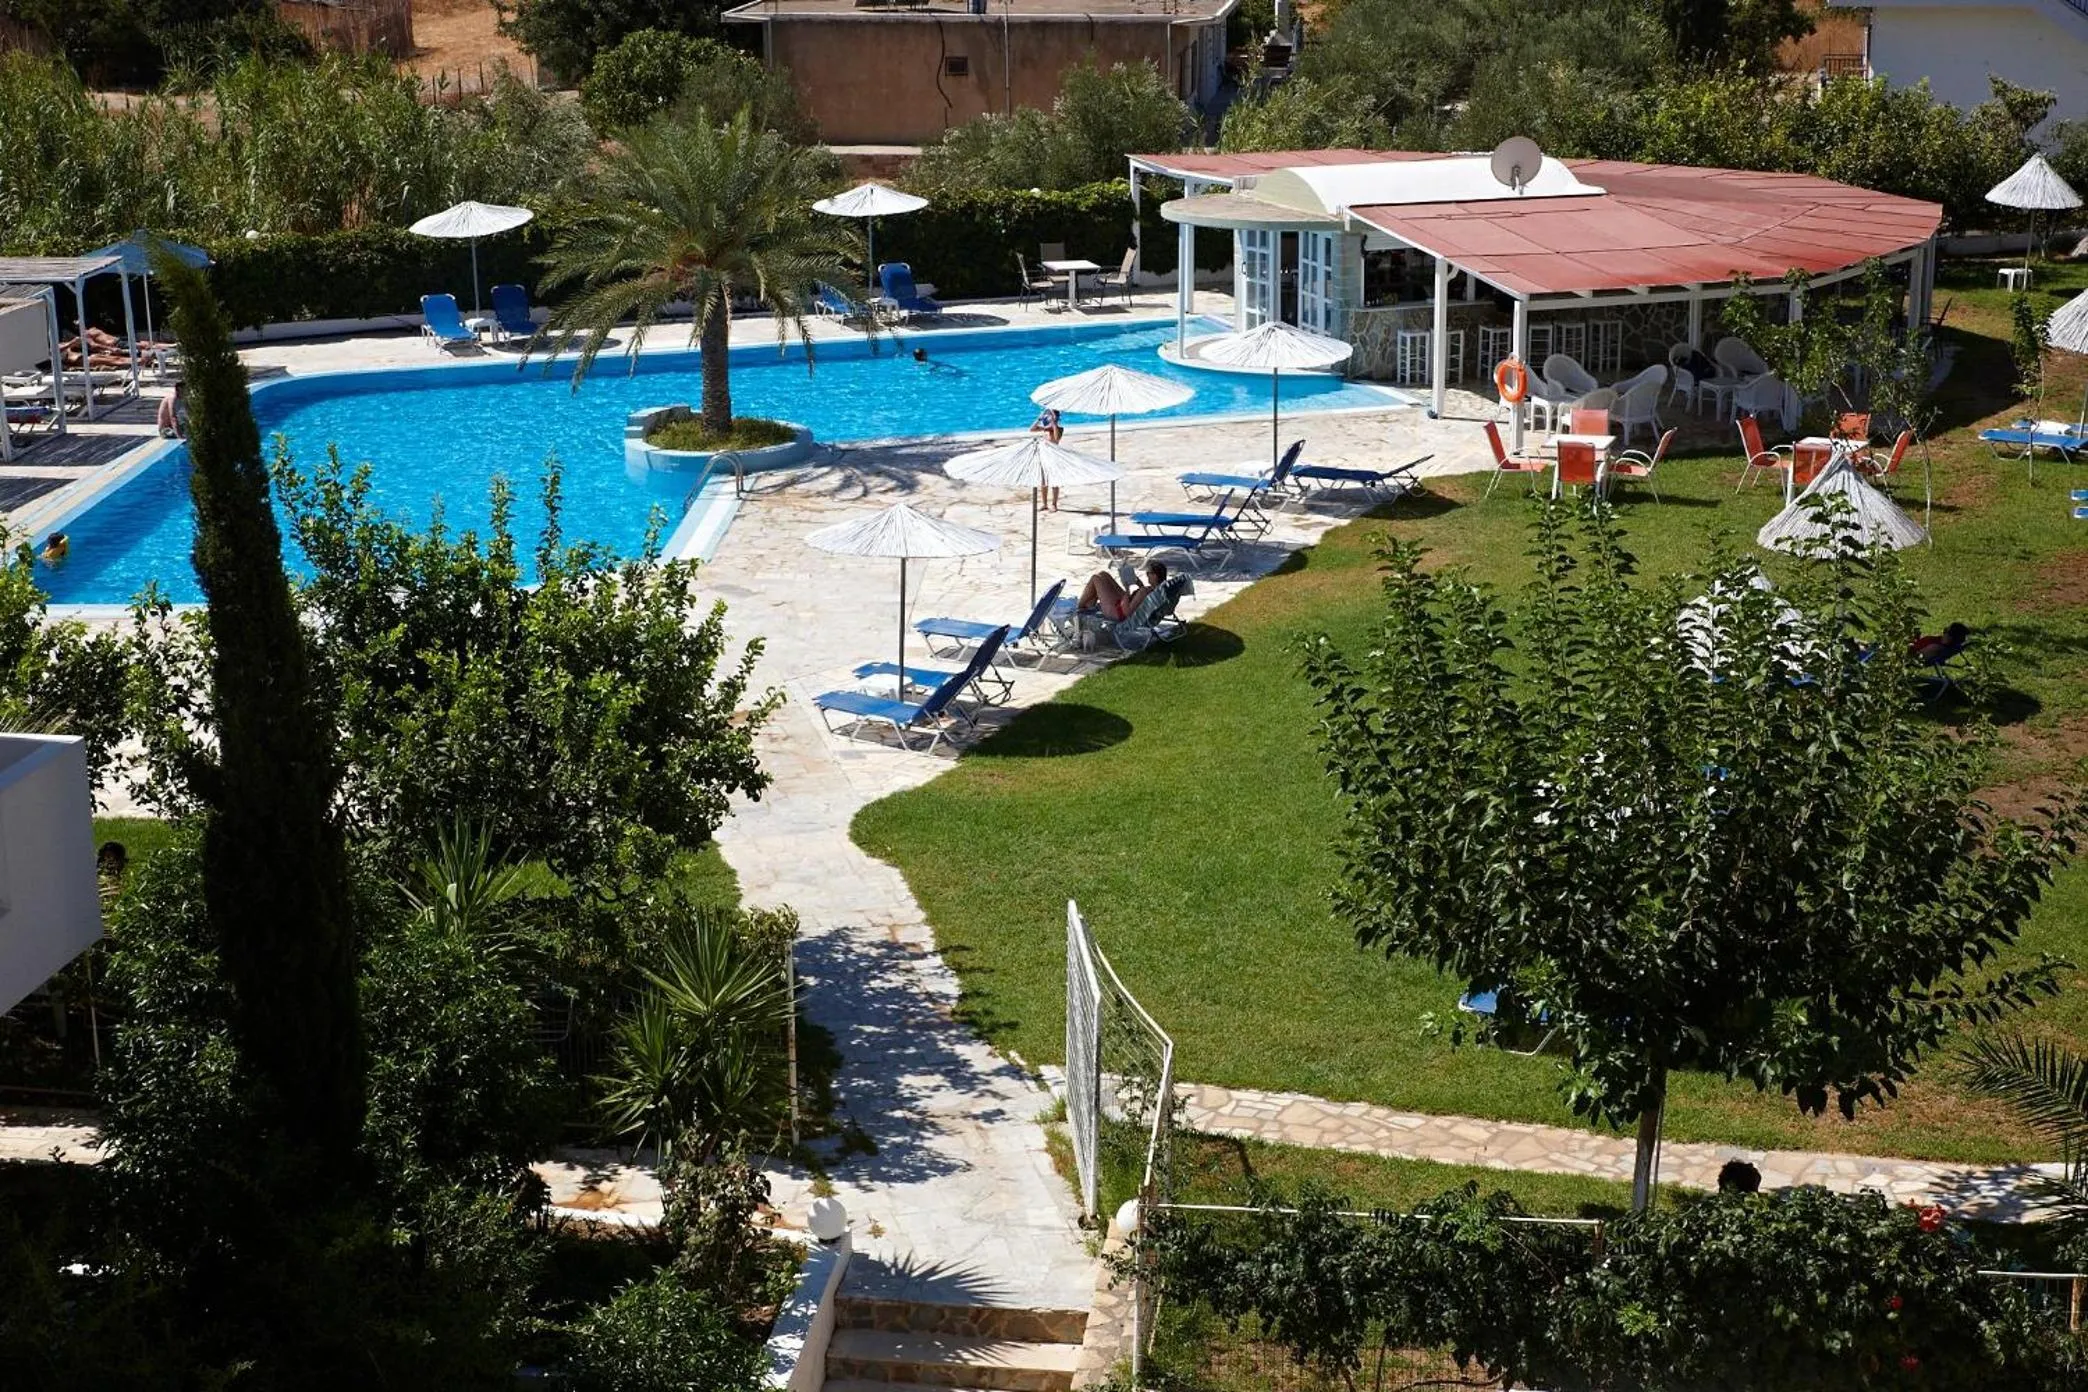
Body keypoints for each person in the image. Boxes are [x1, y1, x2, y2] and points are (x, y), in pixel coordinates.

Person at [1079, 559, 1165, 622]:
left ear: (1155, 576)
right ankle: (1087, 606)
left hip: (1118, 612)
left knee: (1096, 578)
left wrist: (1127, 588)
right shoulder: (1160, 590)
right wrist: (1140, 585)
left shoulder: (1144, 591)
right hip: (1124, 604)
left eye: (1148, 573)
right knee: (1103, 574)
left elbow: (1127, 612)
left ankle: (1078, 608)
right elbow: (1142, 602)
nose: (1147, 575)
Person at [1030, 407, 1063, 510]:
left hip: (1054, 457)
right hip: (1044, 456)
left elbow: (1056, 438)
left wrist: (1054, 423)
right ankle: (1044, 504)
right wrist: (1039, 419)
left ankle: (1054, 504)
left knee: (1054, 481)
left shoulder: (1059, 429)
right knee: (1043, 482)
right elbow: (1032, 429)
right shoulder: (1046, 429)